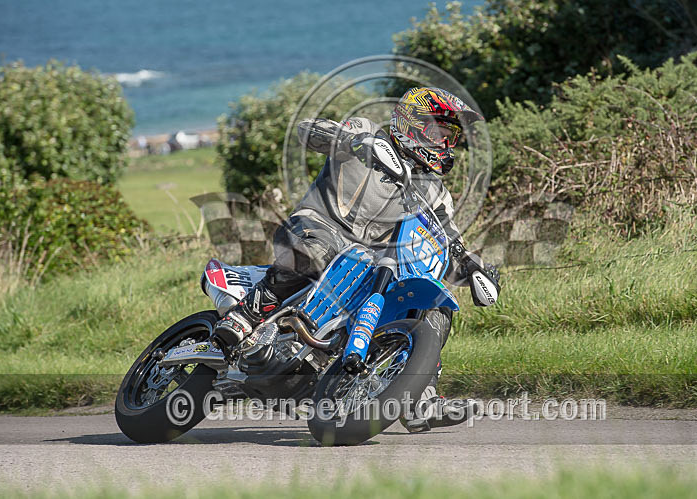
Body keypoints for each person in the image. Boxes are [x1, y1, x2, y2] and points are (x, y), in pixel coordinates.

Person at [211, 87, 500, 431]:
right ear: (412, 121)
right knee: (320, 247)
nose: (444, 144)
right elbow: (308, 130)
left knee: (435, 303)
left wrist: (473, 267)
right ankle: (246, 315)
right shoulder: (367, 131)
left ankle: (419, 393)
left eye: (450, 137)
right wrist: (354, 142)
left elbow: (450, 239)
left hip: (372, 266)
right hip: (318, 227)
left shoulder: (435, 191)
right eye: (438, 132)